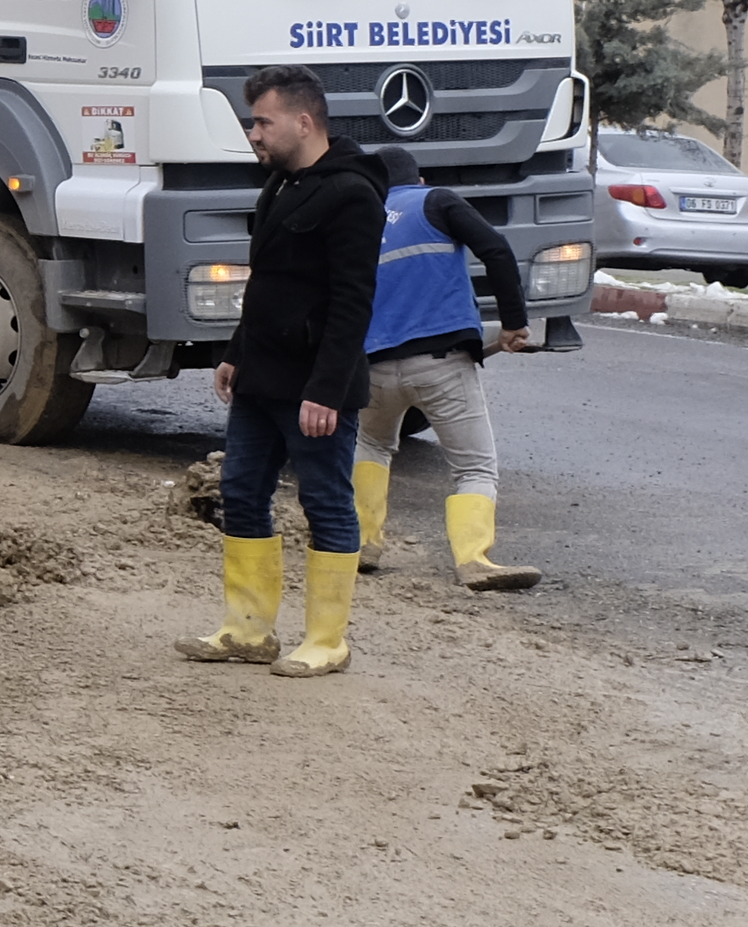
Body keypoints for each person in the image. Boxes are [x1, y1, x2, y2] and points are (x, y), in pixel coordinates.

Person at [184, 65, 386, 679]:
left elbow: (353, 301)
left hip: (315, 388)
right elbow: (267, 282)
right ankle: (247, 631)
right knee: (242, 493)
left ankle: (328, 640)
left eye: (262, 121)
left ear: (304, 120)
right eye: (252, 122)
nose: (253, 133)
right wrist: (235, 351)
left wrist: (325, 389)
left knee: (325, 502)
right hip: (260, 380)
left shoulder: (352, 193)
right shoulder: (279, 186)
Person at [352, 145, 543, 592]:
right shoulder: (435, 201)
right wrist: (514, 323)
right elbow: (495, 249)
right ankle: (472, 559)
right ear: (416, 180)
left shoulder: (359, 219)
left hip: (374, 366)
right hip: (442, 365)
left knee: (372, 445)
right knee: (475, 467)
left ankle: (362, 543)